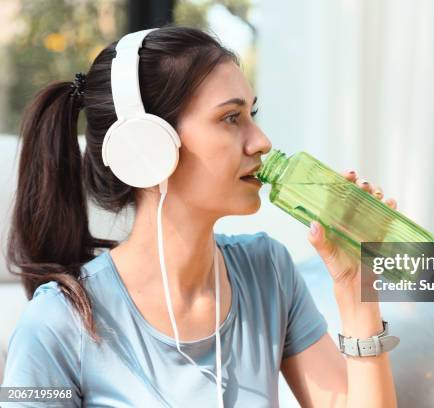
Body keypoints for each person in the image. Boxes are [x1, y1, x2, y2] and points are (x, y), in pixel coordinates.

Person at [2, 26, 398, 407]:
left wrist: (355, 288)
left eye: (252, 114)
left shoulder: (268, 272)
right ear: (148, 146)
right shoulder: (58, 322)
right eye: (230, 118)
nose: (261, 141)